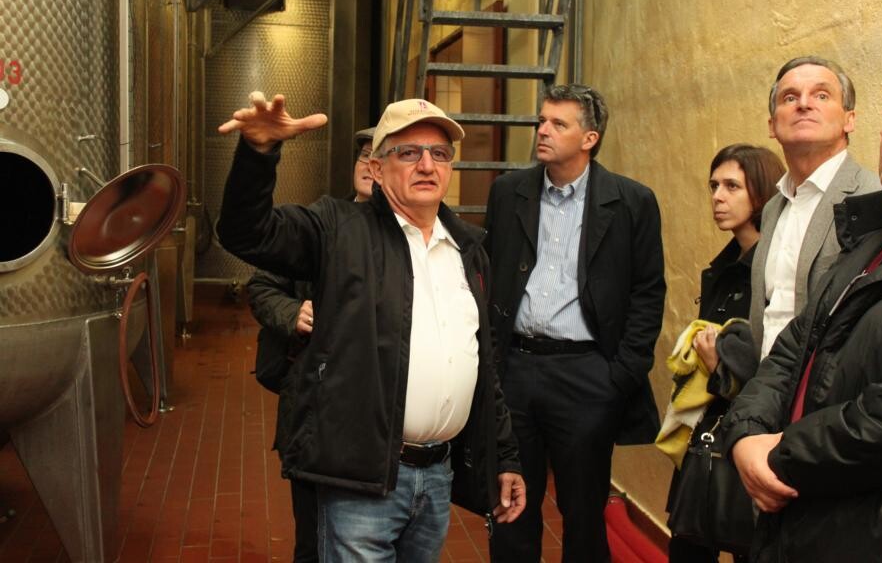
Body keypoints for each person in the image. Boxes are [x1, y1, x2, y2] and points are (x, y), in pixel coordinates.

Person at [217, 93, 526, 561]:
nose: (427, 165)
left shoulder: (468, 250)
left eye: (440, 153)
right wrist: (258, 153)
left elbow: (485, 367)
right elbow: (247, 233)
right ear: (377, 169)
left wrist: (504, 456)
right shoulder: (338, 229)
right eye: (409, 152)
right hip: (360, 479)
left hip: (436, 476)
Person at [721, 67, 882, 562]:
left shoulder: (860, 207)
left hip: (855, 509)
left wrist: (777, 452)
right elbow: (793, 343)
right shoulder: (870, 238)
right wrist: (747, 433)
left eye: (821, 95)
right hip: (796, 490)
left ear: (848, 119)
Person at [484, 83, 666, 562]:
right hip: (516, 370)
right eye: (541, 121)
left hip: (587, 375)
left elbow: (648, 292)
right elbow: (490, 274)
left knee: (584, 513)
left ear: (590, 138)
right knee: (509, 507)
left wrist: (619, 376)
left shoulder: (631, 202)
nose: (542, 131)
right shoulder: (507, 192)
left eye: (558, 124)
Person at [245, 126, 375, 563]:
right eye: (364, 155)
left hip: (377, 421)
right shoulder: (323, 224)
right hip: (316, 412)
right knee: (314, 540)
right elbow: (262, 284)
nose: (369, 165)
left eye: (381, 156)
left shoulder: (417, 239)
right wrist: (291, 312)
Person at [666, 144, 784, 562]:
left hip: (753, 438)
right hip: (707, 434)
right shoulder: (724, 266)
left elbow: (778, 363)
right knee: (689, 544)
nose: (717, 197)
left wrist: (722, 367)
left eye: (732, 186)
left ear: (762, 193)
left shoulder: (775, 270)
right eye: (713, 186)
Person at [751, 56, 881, 359]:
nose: (804, 104)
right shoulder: (772, 209)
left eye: (821, 95)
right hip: (765, 381)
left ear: (849, 119)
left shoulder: (874, 197)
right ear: (772, 125)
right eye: (790, 97)